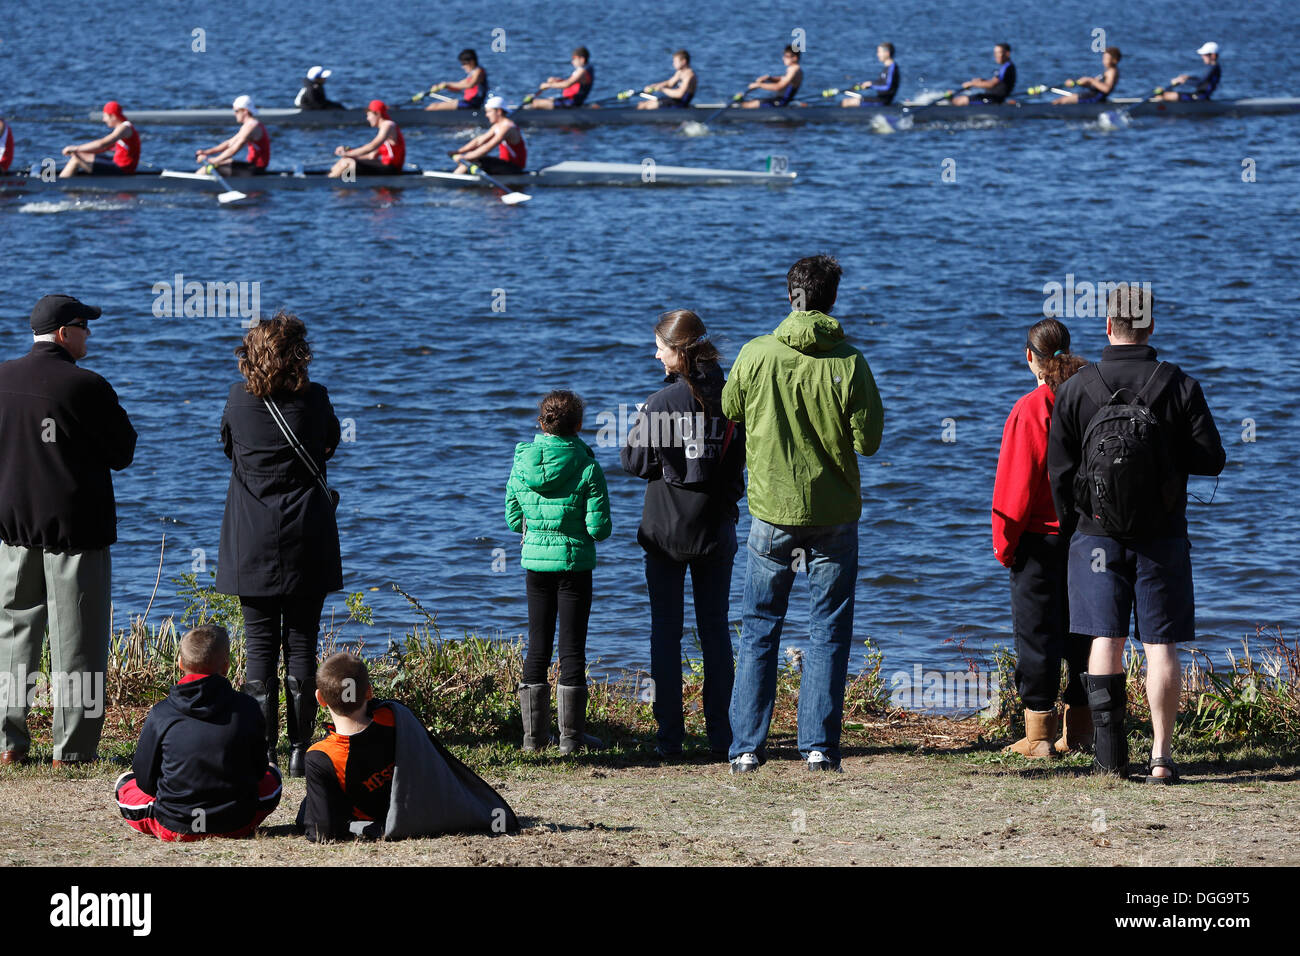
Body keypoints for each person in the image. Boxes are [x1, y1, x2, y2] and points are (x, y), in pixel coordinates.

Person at [1047, 284, 1226, 783]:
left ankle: (1110, 759)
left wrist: (1075, 526)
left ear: (1107, 326)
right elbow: (1213, 458)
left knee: (1105, 638)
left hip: (1094, 536)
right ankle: (1162, 758)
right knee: (1160, 645)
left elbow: (1058, 471)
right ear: (1151, 327)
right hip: (1162, 535)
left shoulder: (1077, 388)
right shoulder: (1179, 385)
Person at [722, 256, 884, 773]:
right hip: (833, 512)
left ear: (789, 295)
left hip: (771, 511)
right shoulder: (850, 362)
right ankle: (818, 746)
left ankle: (747, 747)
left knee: (758, 626)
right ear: (832, 299)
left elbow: (729, 408)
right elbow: (870, 441)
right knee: (828, 628)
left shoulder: (755, 353)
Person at [0, 294, 136, 766]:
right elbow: (123, 452)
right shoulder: (87, 387)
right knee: (80, 644)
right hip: (76, 536)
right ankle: (73, 750)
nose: (89, 335)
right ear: (63, 333)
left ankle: (8, 744)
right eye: (84, 326)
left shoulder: (2, 379)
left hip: (13, 532)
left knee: (13, 638)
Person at [216, 312, 342, 778]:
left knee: (260, 645)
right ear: (298, 356)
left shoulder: (237, 400)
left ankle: (264, 750)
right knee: (303, 641)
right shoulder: (317, 399)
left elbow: (228, 448)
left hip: (251, 538)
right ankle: (299, 748)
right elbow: (330, 445)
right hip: (307, 534)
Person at [621, 311, 745, 758]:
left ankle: (669, 736)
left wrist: (658, 450)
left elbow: (634, 464)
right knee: (715, 632)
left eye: (661, 346)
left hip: (665, 531)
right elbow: (738, 462)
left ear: (680, 351)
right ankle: (722, 735)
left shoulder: (659, 403)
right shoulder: (733, 397)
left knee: (665, 632)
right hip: (716, 527)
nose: (656, 353)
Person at [992, 319, 1091, 757]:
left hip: (1039, 541)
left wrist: (1005, 546)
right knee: (1086, 636)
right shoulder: (1091, 399)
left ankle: (1039, 738)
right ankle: (1083, 732)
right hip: (1090, 540)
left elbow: (1014, 493)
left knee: (1037, 638)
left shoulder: (1031, 409)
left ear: (1029, 357)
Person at [296, 652, 520, 841]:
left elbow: (321, 832)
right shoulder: (395, 716)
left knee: (307, 808)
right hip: (418, 804)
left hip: (373, 817)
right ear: (369, 693)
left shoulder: (320, 756)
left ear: (320, 699)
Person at [506, 390, 612, 755]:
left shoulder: (521, 462)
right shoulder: (587, 465)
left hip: (535, 565)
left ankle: (533, 740)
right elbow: (599, 529)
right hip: (574, 567)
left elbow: (512, 518)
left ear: (542, 422)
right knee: (572, 649)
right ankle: (571, 739)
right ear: (579, 425)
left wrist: (535, 528)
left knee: (537, 646)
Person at [114, 625, 282, 841]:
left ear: (180, 663)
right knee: (273, 774)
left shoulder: (161, 713)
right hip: (236, 822)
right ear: (226, 666)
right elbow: (259, 771)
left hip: (175, 825)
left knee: (124, 782)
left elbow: (145, 780)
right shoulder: (248, 707)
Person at [58, 101, 140, 177]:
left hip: (123, 170)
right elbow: (103, 148)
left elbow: (102, 144)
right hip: (120, 166)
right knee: (78, 155)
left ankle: (60, 184)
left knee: (77, 158)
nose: (103, 120)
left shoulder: (124, 128)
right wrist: (79, 151)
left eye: (105, 116)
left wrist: (75, 148)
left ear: (113, 116)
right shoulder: (122, 128)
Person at [195, 95, 270, 175]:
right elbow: (229, 143)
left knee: (208, 168)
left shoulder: (252, 127)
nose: (235, 114)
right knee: (225, 162)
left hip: (256, 169)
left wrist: (213, 160)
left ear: (245, 111)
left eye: (236, 111)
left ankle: (191, 184)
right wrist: (207, 152)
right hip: (251, 166)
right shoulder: (248, 125)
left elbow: (233, 149)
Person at [451, 95, 526, 175]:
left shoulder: (507, 127)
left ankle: (453, 180)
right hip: (505, 164)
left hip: (514, 168)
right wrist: (458, 151)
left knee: (474, 160)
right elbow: (478, 141)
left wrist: (465, 157)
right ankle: (457, 177)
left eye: (489, 112)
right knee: (473, 160)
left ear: (499, 111)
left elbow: (489, 146)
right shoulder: (497, 125)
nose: (487, 115)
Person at [329, 99, 405, 177]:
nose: (367, 118)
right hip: (385, 165)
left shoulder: (388, 125)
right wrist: (349, 154)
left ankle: (331, 184)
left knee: (348, 162)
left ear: (377, 114)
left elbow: (371, 147)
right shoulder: (384, 130)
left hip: (392, 169)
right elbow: (371, 156)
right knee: (344, 160)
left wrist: (348, 153)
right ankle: (332, 179)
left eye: (369, 115)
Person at [525, 46, 594, 109]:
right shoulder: (583, 70)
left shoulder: (582, 72)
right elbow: (572, 83)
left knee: (535, 103)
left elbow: (567, 84)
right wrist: (558, 80)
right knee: (542, 100)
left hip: (571, 103)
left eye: (574, 58)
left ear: (582, 59)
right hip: (568, 100)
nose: (572, 62)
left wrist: (548, 85)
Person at [951, 42, 1016, 106]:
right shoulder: (1007, 66)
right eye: (995, 53)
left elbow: (991, 84)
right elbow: (997, 83)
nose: (995, 56)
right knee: (960, 98)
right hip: (992, 97)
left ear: (1007, 54)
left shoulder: (1007, 67)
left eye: (998, 53)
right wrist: (983, 81)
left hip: (993, 99)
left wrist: (972, 84)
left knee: (961, 101)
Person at [1053, 47, 1121, 105]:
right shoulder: (1108, 71)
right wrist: (1077, 83)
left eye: (1106, 58)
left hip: (1095, 97)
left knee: (1061, 101)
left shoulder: (1112, 72)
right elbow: (1097, 86)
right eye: (1103, 58)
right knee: (1064, 99)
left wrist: (1090, 80)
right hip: (1094, 95)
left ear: (1114, 60)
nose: (1103, 61)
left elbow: (1106, 89)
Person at [842, 43, 899, 107]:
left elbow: (887, 87)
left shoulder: (892, 67)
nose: (877, 55)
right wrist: (863, 84)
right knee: (846, 101)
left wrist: (871, 85)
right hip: (879, 99)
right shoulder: (887, 68)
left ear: (887, 53)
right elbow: (880, 83)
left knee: (847, 102)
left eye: (879, 52)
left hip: (884, 101)